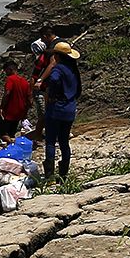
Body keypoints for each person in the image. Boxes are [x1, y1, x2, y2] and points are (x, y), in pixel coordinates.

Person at [42, 41, 81, 179]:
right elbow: (78, 90)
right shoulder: (73, 69)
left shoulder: (58, 69)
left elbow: (53, 80)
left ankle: (50, 175)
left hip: (56, 109)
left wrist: (52, 95)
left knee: (50, 141)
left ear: (57, 56)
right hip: (69, 109)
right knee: (64, 142)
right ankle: (64, 174)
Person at [0, 59, 32, 143]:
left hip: (10, 111)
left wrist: (2, 107)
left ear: (10, 69)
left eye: (6, 71)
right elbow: (29, 99)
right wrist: (25, 112)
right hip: (20, 112)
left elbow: (7, 93)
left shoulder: (10, 79)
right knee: (12, 133)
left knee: (2, 133)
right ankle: (12, 144)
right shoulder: (24, 81)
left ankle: (11, 144)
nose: (5, 73)